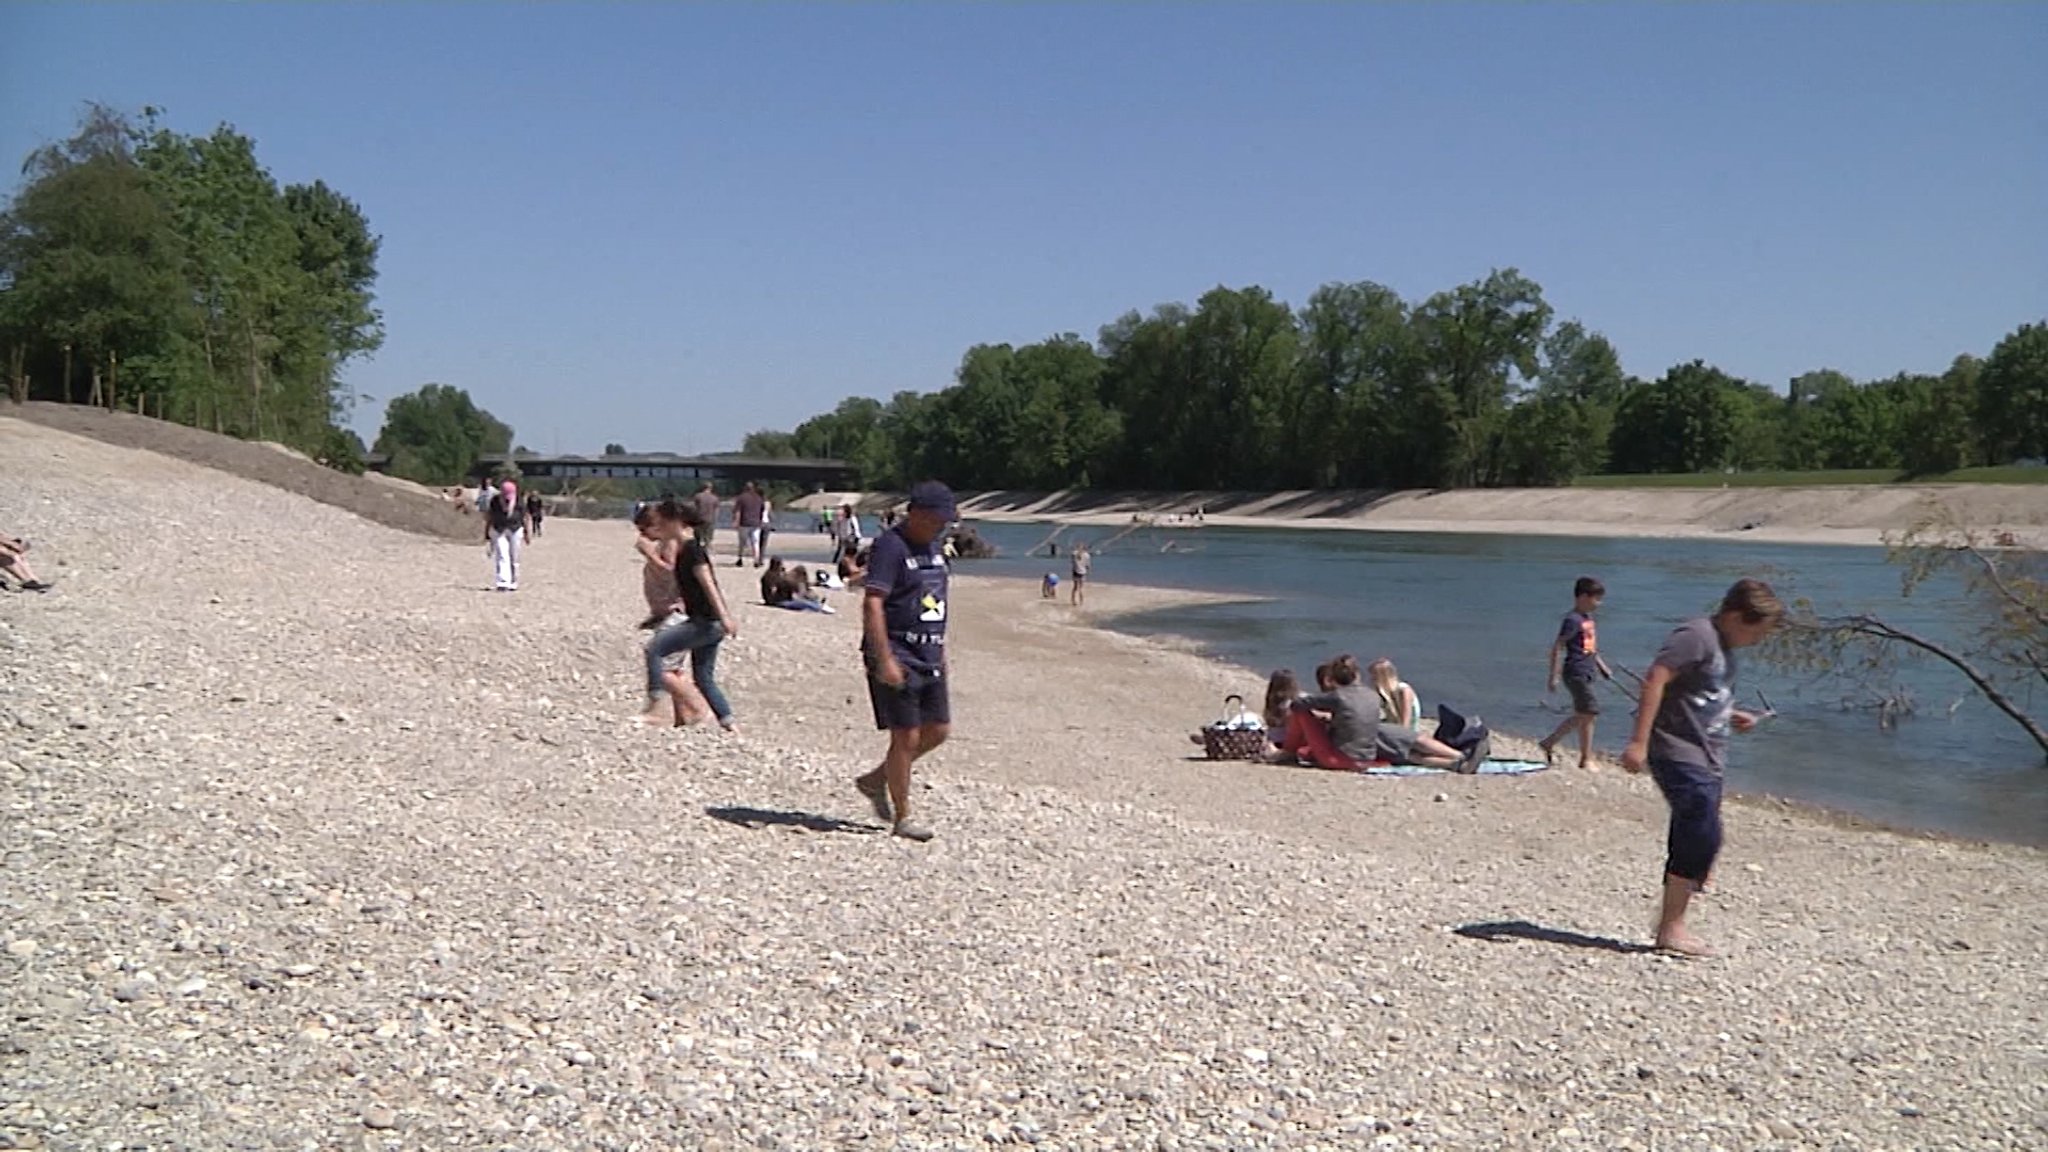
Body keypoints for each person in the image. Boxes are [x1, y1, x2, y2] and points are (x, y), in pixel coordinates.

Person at [1622, 578, 1784, 958]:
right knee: (1698, 828)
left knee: (1707, 836)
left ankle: (1674, 917)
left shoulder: (1724, 648)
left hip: (1708, 753)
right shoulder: (1695, 636)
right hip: (1676, 749)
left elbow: (1701, 696)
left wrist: (1732, 714)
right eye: (1756, 632)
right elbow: (1656, 678)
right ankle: (1671, 927)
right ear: (1733, 616)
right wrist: (1638, 742)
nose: (1758, 641)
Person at [851, 481, 956, 842]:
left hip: (930, 650)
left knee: (939, 730)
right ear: (916, 513)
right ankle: (903, 817)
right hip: (896, 650)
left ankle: (877, 778)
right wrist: (885, 658)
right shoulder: (890, 546)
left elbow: (935, 598)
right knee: (906, 736)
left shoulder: (935, 546)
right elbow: (873, 601)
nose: (941, 525)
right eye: (936, 519)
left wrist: (941, 648)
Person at [637, 498, 741, 732]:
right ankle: (731, 727)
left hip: (705, 622)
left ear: (676, 522)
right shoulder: (684, 548)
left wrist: (725, 616)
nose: (660, 527)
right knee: (704, 679)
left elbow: (708, 583)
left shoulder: (692, 549)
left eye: (663, 522)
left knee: (655, 649)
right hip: (706, 622)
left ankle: (655, 707)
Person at [1275, 655, 1478, 772]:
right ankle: (1456, 760)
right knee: (1408, 750)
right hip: (1368, 756)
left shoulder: (1336, 697)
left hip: (1342, 758)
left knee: (1301, 713)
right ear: (1357, 675)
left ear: (1333, 680)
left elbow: (1298, 705)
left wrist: (1315, 710)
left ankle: (1288, 752)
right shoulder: (1372, 695)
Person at [1541, 576, 1615, 769]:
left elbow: (1590, 647)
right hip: (1575, 671)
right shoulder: (1572, 620)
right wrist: (1554, 675)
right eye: (1596, 599)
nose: (1599, 603)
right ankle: (1585, 758)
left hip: (1588, 670)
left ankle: (1550, 742)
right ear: (1582, 597)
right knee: (1590, 711)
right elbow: (1558, 646)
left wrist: (1601, 665)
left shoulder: (1587, 619)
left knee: (1584, 713)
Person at [484, 479, 530, 591]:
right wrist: (486, 531)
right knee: (502, 555)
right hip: (498, 530)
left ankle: (513, 581)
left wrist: (527, 532)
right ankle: (503, 582)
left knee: (514, 556)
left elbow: (525, 517)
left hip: (515, 529)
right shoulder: (495, 501)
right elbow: (489, 516)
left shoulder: (519, 501)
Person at [1368, 659, 1422, 731]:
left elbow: (1405, 724)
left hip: (1408, 733)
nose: (1371, 680)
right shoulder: (1384, 694)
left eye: (1374, 677)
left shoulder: (1404, 691)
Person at [732, 481, 767, 568]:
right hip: (756, 523)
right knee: (755, 542)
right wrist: (760, 520)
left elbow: (738, 511)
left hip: (744, 523)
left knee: (742, 543)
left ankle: (740, 559)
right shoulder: (758, 498)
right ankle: (756, 561)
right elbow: (762, 510)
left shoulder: (741, 498)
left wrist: (736, 521)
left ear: (745, 488)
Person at [690, 482, 719, 554]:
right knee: (708, 538)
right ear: (711, 488)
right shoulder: (715, 498)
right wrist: (715, 520)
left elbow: (694, 508)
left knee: (697, 537)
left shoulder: (698, 496)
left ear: (702, 488)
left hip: (699, 518)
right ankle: (706, 551)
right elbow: (716, 511)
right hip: (709, 519)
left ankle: (697, 551)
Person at [1069, 542, 1092, 607]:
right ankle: (1081, 602)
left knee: (1075, 587)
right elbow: (1088, 565)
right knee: (1081, 588)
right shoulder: (1087, 555)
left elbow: (1072, 562)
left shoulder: (1074, 554)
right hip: (1083, 572)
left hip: (1075, 572)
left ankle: (1073, 601)